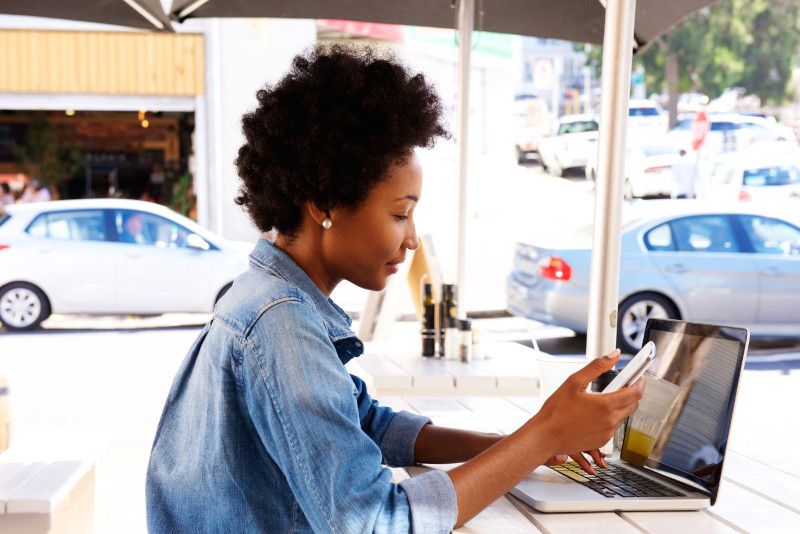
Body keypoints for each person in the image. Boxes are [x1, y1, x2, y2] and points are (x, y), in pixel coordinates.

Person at [145, 43, 643, 533]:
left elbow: (367, 425)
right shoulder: (282, 325)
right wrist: (542, 434)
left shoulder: (262, 294)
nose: (411, 238)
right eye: (400, 213)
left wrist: (520, 441)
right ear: (325, 203)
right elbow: (377, 523)